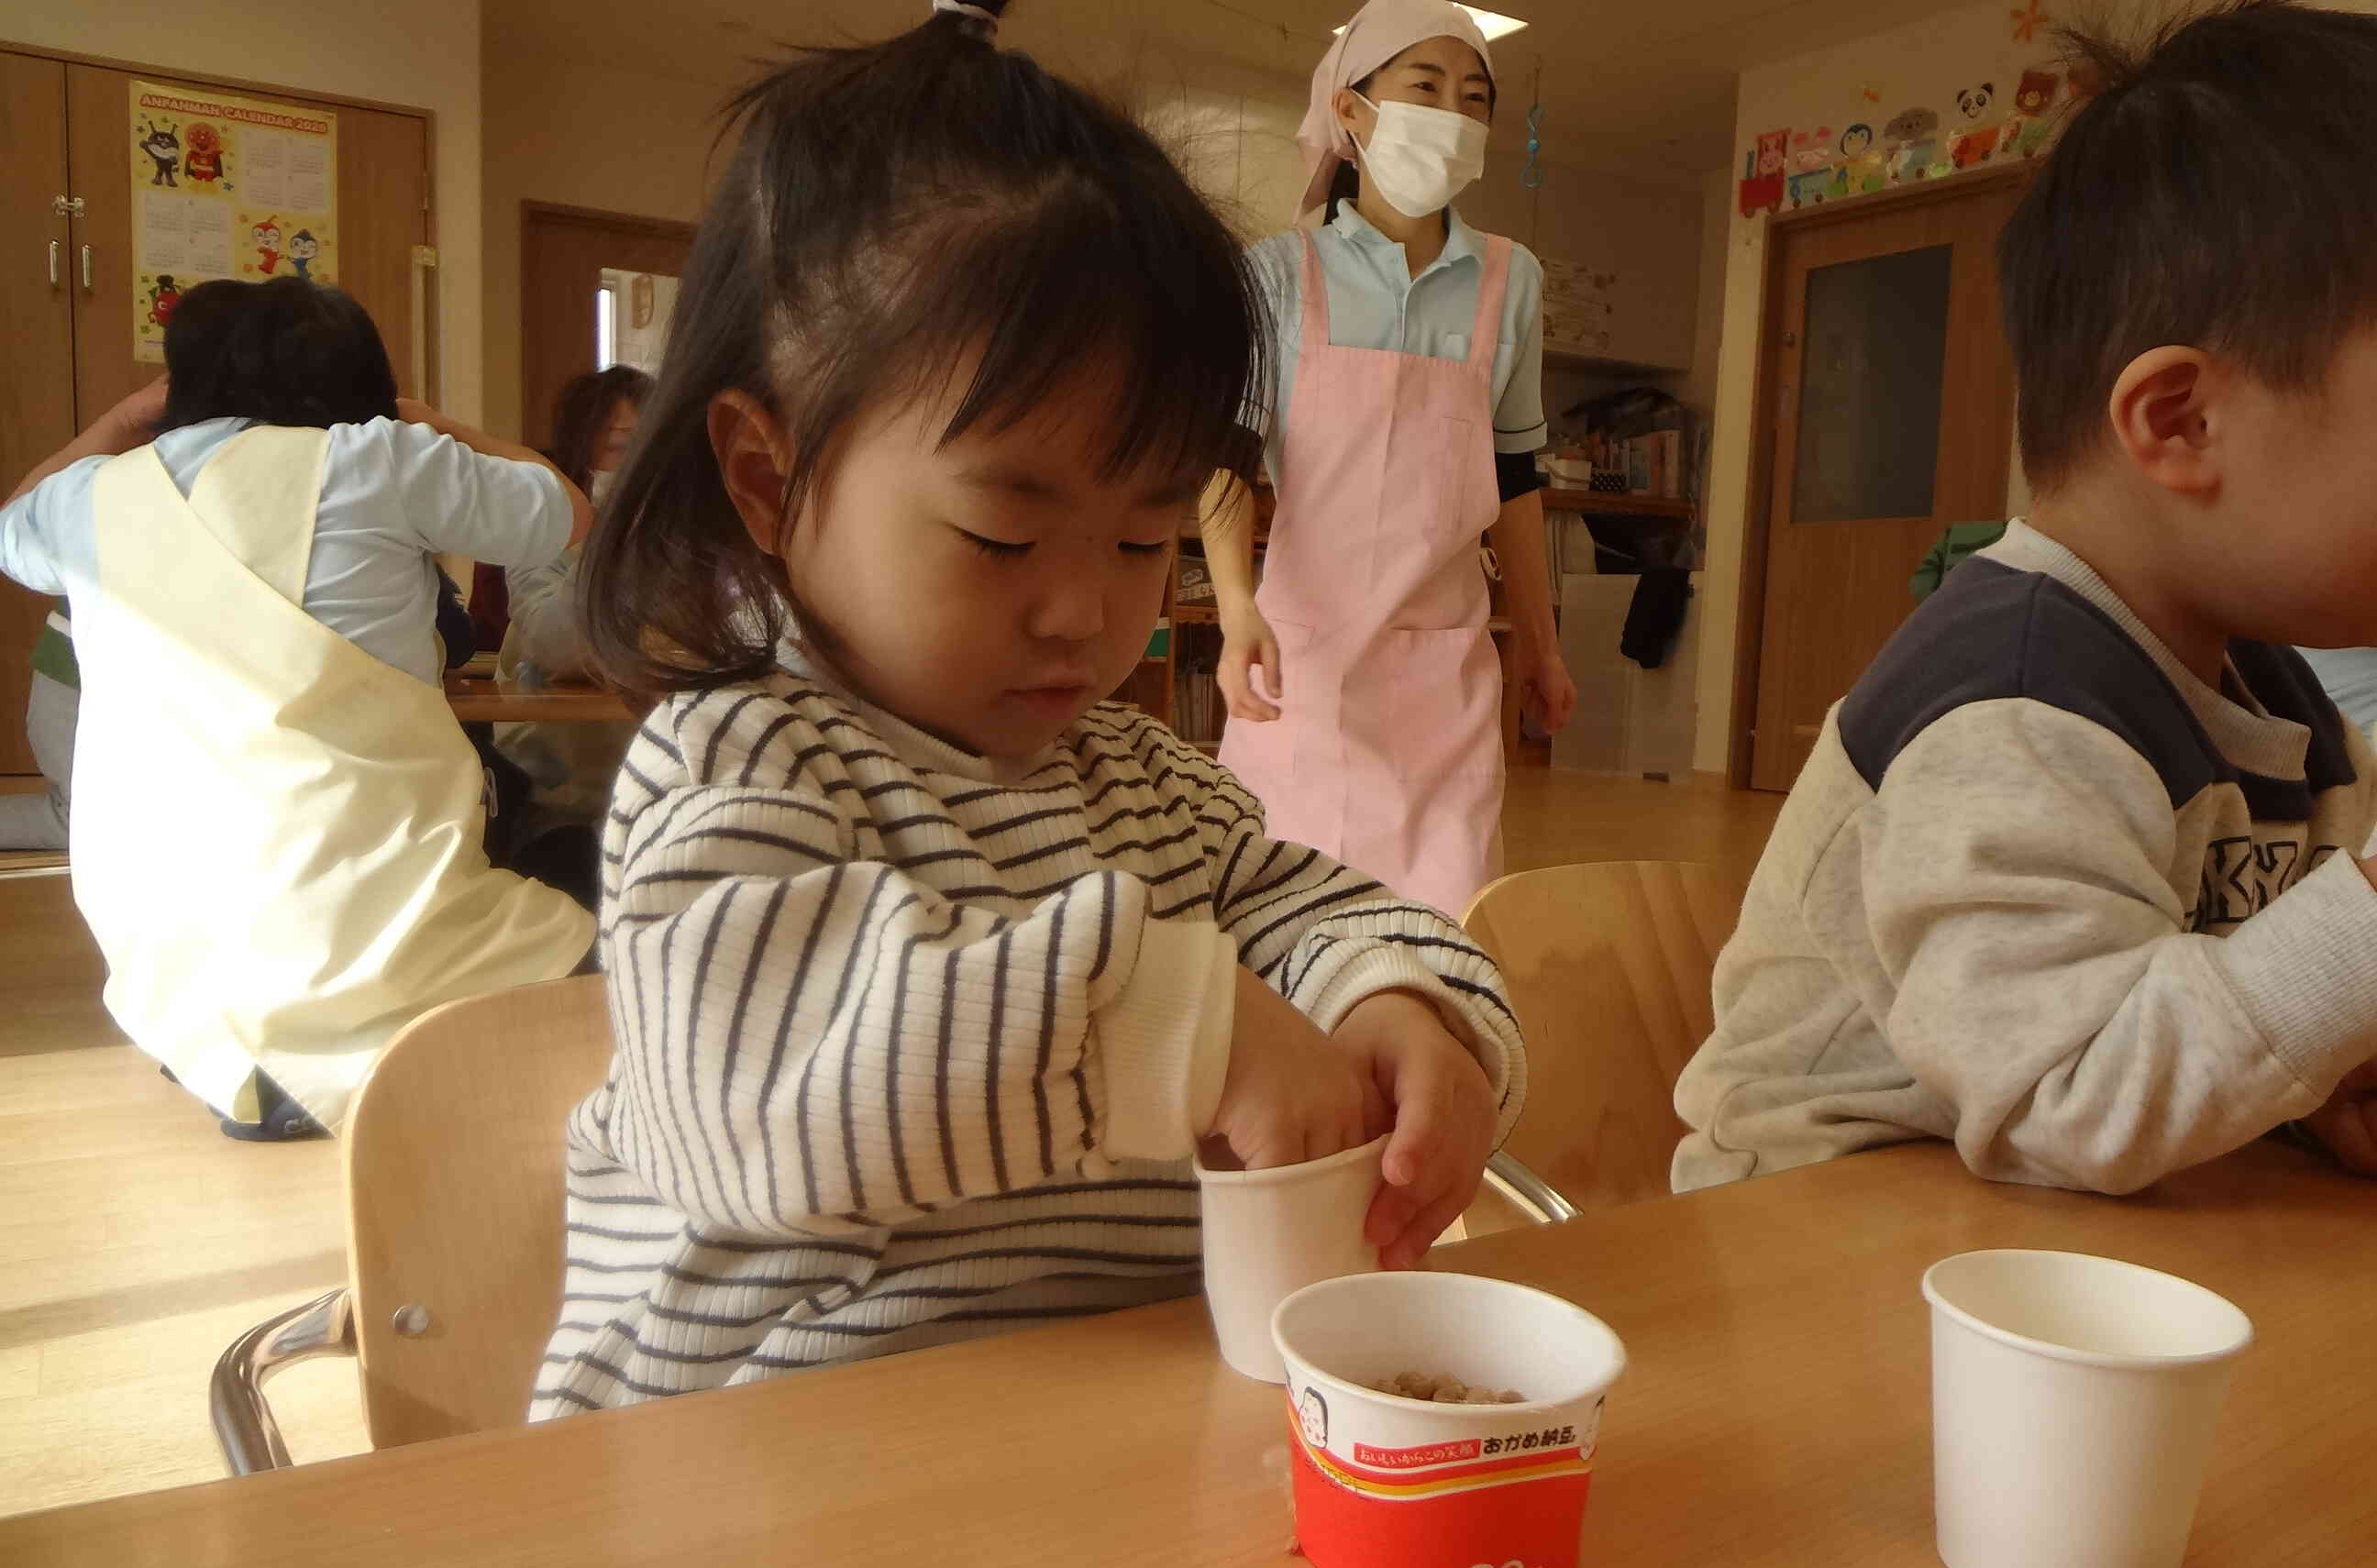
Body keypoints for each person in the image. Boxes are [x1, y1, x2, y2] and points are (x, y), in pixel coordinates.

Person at [532, 0, 1525, 1415]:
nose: (1084, 611)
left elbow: (1330, 912)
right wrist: (1192, 1027)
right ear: (768, 478)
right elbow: (753, 1090)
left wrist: (1414, 1015)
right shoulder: (742, 764)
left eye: (1141, 541)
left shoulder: (1154, 790)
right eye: (1003, 534)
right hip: (761, 1500)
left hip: (1101, 1476)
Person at [1675, 1, 2377, 1197]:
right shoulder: (2011, 706)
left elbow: (2263, 998)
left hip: (2071, 1208)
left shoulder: (2274, 687)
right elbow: (2068, 1088)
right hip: (1834, 1237)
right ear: (2182, 423)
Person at [0, 277, 595, 1139]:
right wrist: (431, 424)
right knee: (596, 917)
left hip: (174, 978)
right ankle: (356, 1046)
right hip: (366, 937)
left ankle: (244, 1055)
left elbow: (12, 516)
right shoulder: (375, 459)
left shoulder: (89, 495)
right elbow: (568, 515)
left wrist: (128, 420)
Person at [1199, 0, 1576, 922]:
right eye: (1427, 85)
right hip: (1301, 664)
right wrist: (1235, 605)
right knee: (1288, 922)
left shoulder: (1509, 280)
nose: (1454, 111)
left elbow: (1517, 477)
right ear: (1353, 111)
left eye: (1475, 96)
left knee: (1449, 920)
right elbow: (1225, 457)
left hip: (1443, 673)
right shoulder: (1280, 274)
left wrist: (1540, 638)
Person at [495, 365, 655, 907]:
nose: (637, 464)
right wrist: (611, 535)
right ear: (579, 448)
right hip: (564, 797)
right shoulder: (538, 529)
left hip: (663, 795)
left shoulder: (682, 535)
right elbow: (554, 645)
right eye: (619, 446)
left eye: (651, 445)